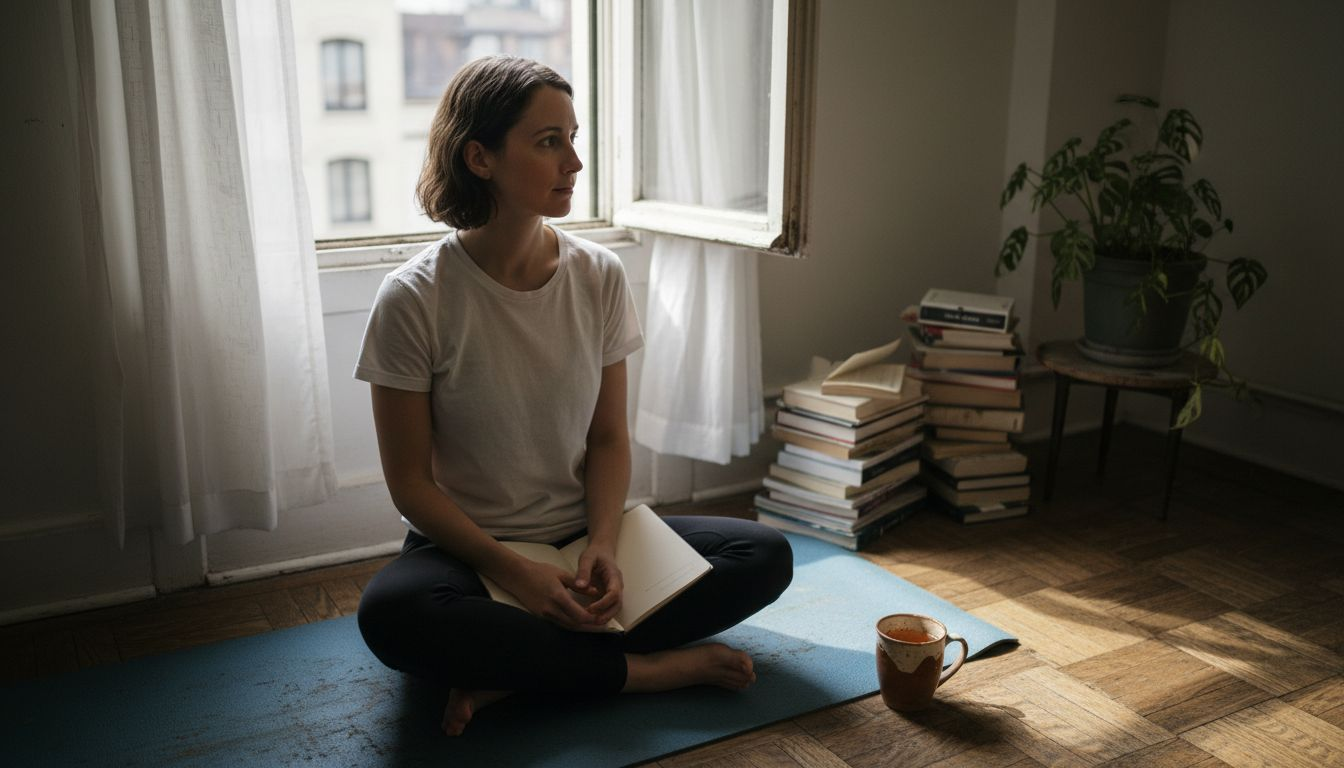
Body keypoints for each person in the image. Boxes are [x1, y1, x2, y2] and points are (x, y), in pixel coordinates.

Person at [353, 56, 793, 737]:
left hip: (582, 537)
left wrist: (607, 546)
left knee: (764, 556)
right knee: (393, 613)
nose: (575, 162)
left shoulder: (598, 275)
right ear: (481, 158)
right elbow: (411, 485)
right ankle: (644, 672)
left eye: (574, 136)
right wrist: (517, 574)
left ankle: (515, 675)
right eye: (549, 141)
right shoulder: (414, 298)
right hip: (474, 553)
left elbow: (609, 439)